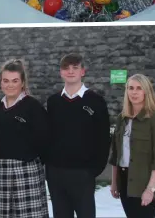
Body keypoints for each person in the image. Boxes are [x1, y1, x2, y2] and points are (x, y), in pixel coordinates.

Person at [45, 53, 111, 218]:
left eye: (75, 67)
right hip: (56, 173)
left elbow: (103, 139)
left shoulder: (96, 101)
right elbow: (46, 136)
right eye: (66, 68)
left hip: (83, 173)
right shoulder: (53, 102)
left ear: (83, 71)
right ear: (61, 72)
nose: (70, 71)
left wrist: (93, 170)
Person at [0, 59, 50, 218]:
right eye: (6, 81)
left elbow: (44, 140)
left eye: (15, 81)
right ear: (0, 83)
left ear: (22, 83)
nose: (10, 85)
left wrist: (27, 159)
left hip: (25, 171)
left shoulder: (33, 106)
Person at [109, 74, 155, 218]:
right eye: (130, 88)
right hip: (124, 181)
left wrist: (150, 189)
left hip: (145, 182)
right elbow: (116, 154)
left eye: (139, 88)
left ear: (146, 92)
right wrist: (114, 183)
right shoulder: (121, 118)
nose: (134, 92)